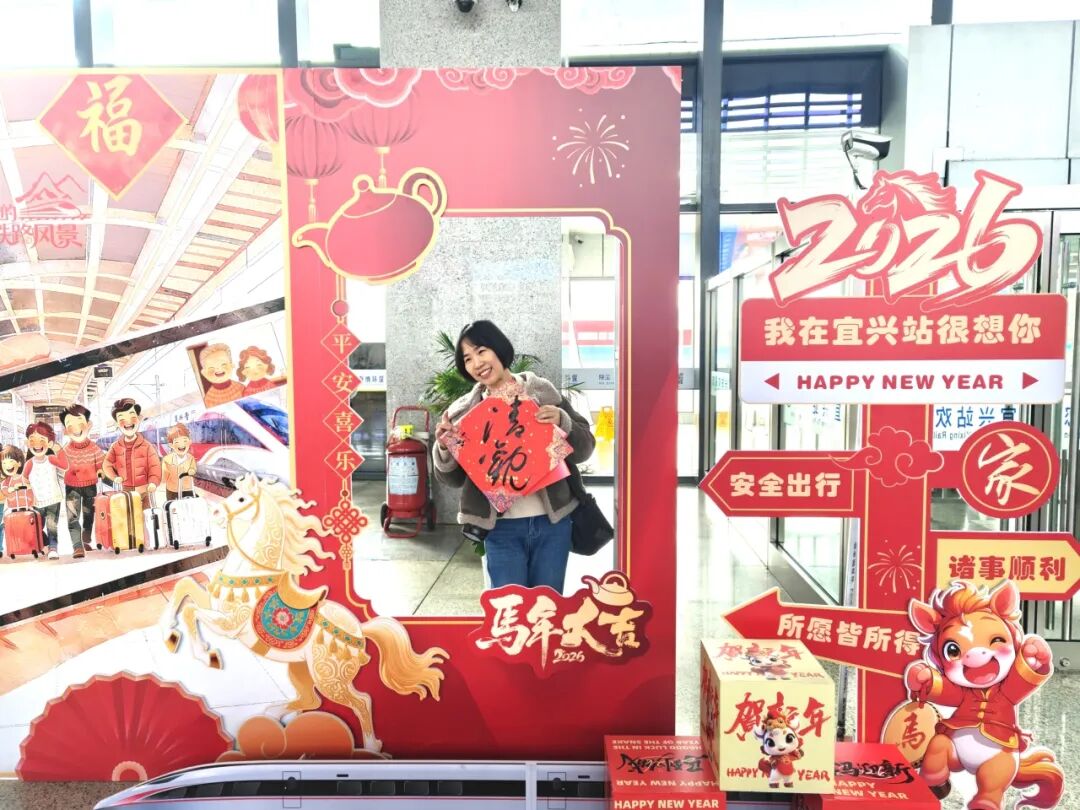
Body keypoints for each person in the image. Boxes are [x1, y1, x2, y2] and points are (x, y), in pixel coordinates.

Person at [431, 320, 595, 592]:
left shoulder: (542, 392)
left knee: (547, 607)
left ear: (498, 348)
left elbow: (586, 448)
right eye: (467, 359)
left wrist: (562, 421)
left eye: (481, 351)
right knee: (510, 610)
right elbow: (452, 479)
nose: (477, 363)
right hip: (500, 529)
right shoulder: (464, 412)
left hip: (553, 524)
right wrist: (445, 447)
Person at [60, 404, 105, 558]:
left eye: (80, 423)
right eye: (70, 425)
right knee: (72, 517)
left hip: (90, 486)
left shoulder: (94, 448)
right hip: (71, 488)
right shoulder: (65, 450)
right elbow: (60, 466)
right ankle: (77, 546)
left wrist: (100, 470)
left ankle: (86, 540)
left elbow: (101, 463)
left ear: (88, 425)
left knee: (89, 515)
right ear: (65, 430)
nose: (75, 428)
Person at [102, 398, 162, 507]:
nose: (128, 422)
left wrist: (153, 482)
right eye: (122, 418)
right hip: (125, 491)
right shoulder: (115, 447)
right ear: (117, 424)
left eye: (132, 416)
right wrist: (114, 477)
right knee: (128, 515)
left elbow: (155, 466)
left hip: (145, 491)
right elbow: (107, 464)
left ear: (138, 419)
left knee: (145, 515)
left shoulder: (147, 446)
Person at [23, 422, 68, 560]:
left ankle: (53, 548)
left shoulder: (51, 459)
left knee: (52, 525)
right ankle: (46, 543)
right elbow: (24, 478)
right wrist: (30, 491)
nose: (37, 444)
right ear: (27, 443)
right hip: (37, 501)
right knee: (37, 525)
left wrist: (58, 449)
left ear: (49, 443)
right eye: (32, 440)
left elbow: (65, 466)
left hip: (53, 498)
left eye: (42, 440)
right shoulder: (29, 463)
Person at [161, 423, 197, 501]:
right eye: (177, 442)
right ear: (171, 445)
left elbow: (193, 468)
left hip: (188, 490)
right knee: (174, 507)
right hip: (173, 491)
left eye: (185, 441)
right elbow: (164, 477)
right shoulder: (167, 460)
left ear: (189, 442)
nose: (181, 445)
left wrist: (192, 470)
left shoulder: (190, 458)